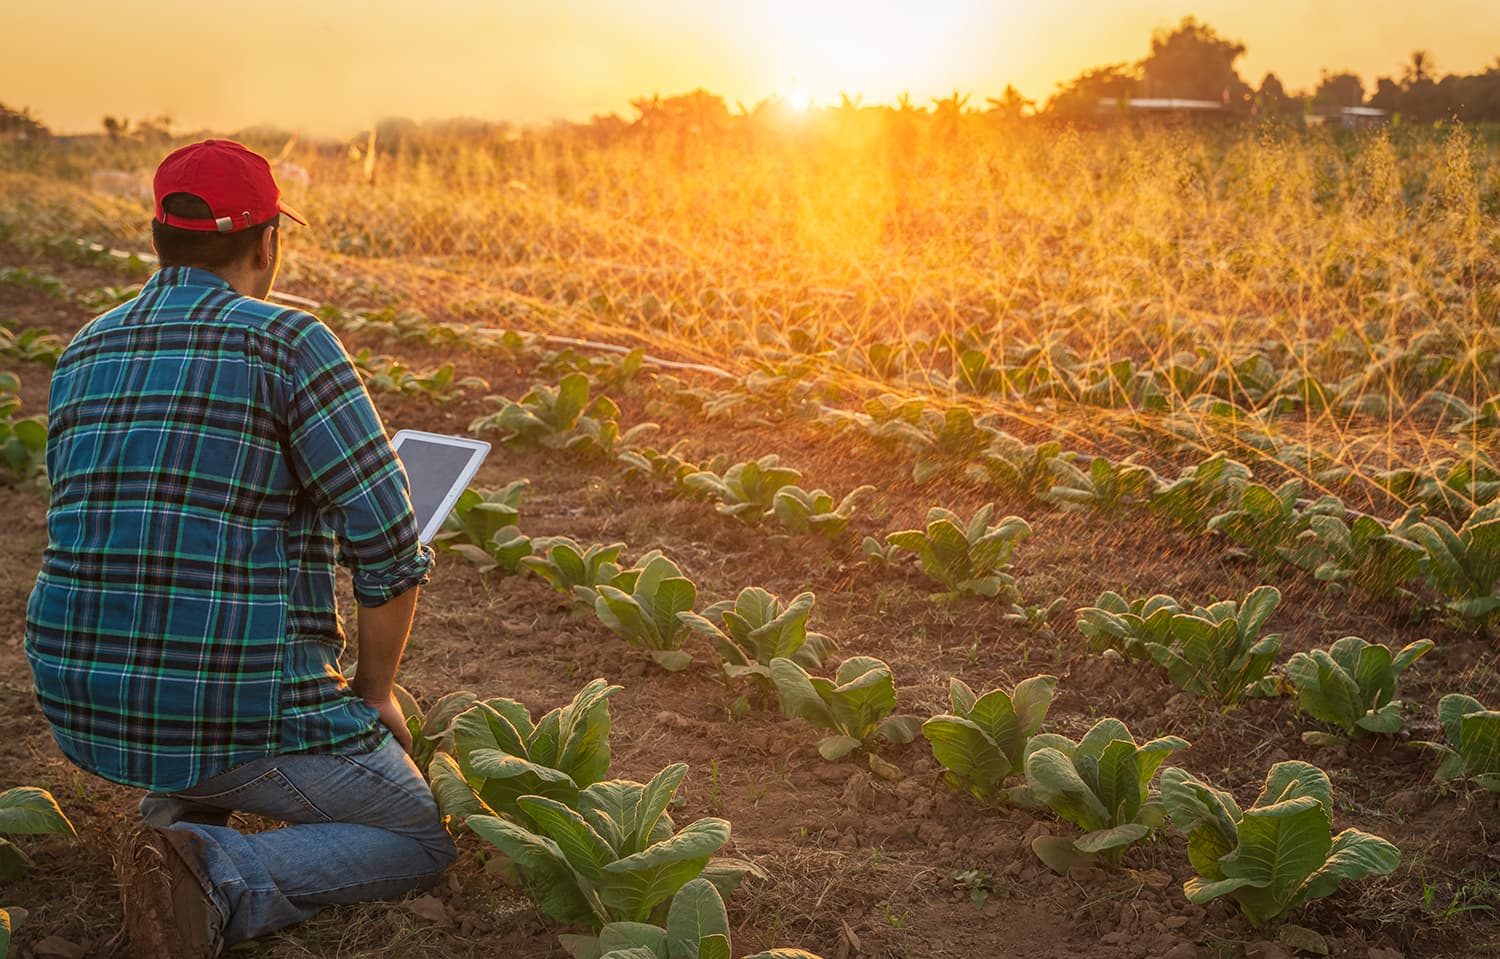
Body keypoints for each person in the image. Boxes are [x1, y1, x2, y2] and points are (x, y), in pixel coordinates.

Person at [23, 139, 455, 958]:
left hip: (82, 700)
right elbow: (391, 545)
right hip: (228, 704)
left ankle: (178, 813)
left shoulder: (83, 349)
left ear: (160, 237)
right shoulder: (289, 341)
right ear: (268, 243)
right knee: (420, 834)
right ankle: (214, 873)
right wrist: (375, 692)